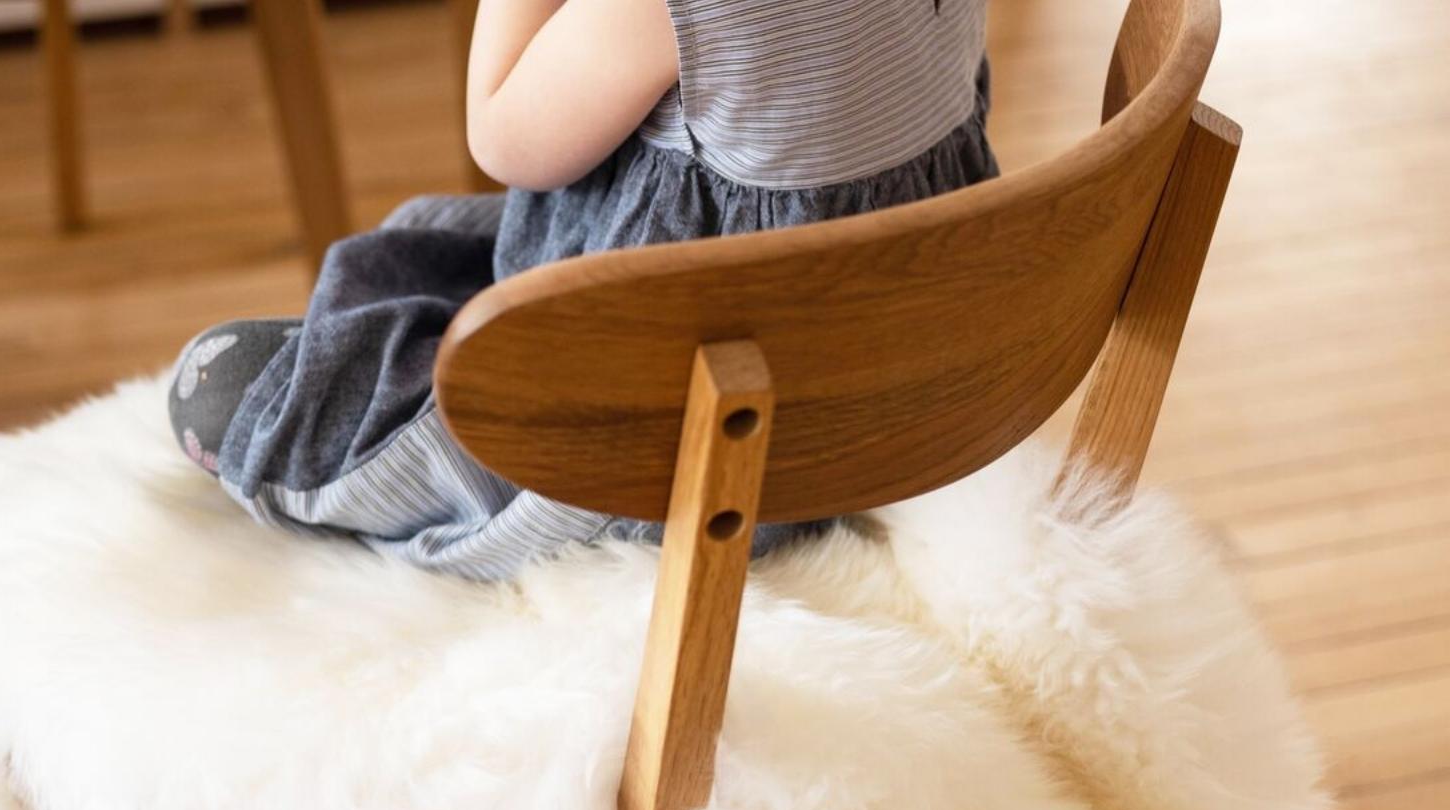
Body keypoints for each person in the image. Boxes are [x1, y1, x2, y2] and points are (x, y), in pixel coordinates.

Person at [170, 0, 996, 579]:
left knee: (218, 385)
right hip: (902, 362)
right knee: (430, 237)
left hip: (707, 435)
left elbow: (503, 136)